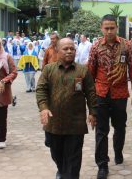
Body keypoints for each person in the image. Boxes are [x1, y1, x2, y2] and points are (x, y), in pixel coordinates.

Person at [36, 38, 97, 179]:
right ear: (57, 51)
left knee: (74, 157)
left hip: (75, 123)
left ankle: (69, 175)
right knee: (56, 152)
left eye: (72, 49)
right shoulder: (48, 69)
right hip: (54, 122)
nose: (69, 51)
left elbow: (91, 92)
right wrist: (43, 108)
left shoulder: (82, 70)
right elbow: (41, 90)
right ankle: (62, 170)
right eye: (65, 49)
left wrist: (93, 112)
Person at [88, 14, 132, 179]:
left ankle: (118, 151)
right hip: (101, 93)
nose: (109, 31)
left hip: (120, 94)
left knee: (120, 127)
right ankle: (102, 164)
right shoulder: (95, 47)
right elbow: (90, 74)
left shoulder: (126, 45)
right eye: (106, 28)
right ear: (101, 28)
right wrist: (89, 102)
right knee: (101, 130)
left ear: (117, 28)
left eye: (112, 28)